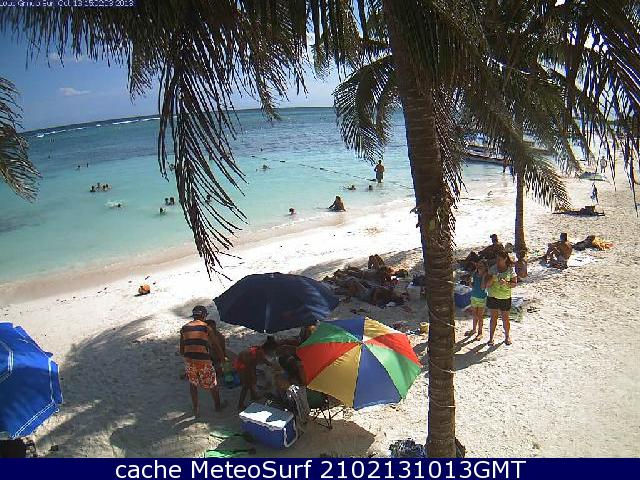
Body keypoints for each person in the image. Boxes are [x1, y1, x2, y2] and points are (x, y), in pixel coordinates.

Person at [179, 306, 224, 416]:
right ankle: (218, 406)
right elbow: (216, 346)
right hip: (203, 361)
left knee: (193, 384)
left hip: (189, 361)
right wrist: (222, 358)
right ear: (204, 316)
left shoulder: (184, 328)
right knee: (212, 383)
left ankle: (196, 409)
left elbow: (182, 351)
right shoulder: (206, 328)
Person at [486, 251, 517, 346]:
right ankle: (491, 338)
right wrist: (492, 279)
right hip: (493, 296)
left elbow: (514, 284)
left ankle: (507, 336)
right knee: (493, 318)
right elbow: (487, 284)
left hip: (505, 297)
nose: (497, 261)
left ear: (505, 259)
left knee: (505, 318)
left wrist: (506, 283)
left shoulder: (510, 270)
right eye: (497, 259)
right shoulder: (493, 269)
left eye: (499, 259)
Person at [234, 342, 274, 410]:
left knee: (252, 381)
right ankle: (240, 405)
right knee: (246, 385)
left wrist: (272, 365)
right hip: (242, 366)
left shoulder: (259, 351)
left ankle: (253, 396)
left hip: (248, 364)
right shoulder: (250, 355)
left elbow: (263, 360)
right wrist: (252, 376)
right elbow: (250, 367)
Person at [466, 260, 488, 341]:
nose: (479, 268)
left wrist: (483, 277)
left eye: (481, 266)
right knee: (474, 314)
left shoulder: (486, 276)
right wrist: (470, 282)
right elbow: (472, 286)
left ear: (485, 267)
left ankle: (480, 332)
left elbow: (482, 287)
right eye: (478, 266)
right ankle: (474, 329)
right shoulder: (474, 274)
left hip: (482, 298)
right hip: (474, 296)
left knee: (480, 316)